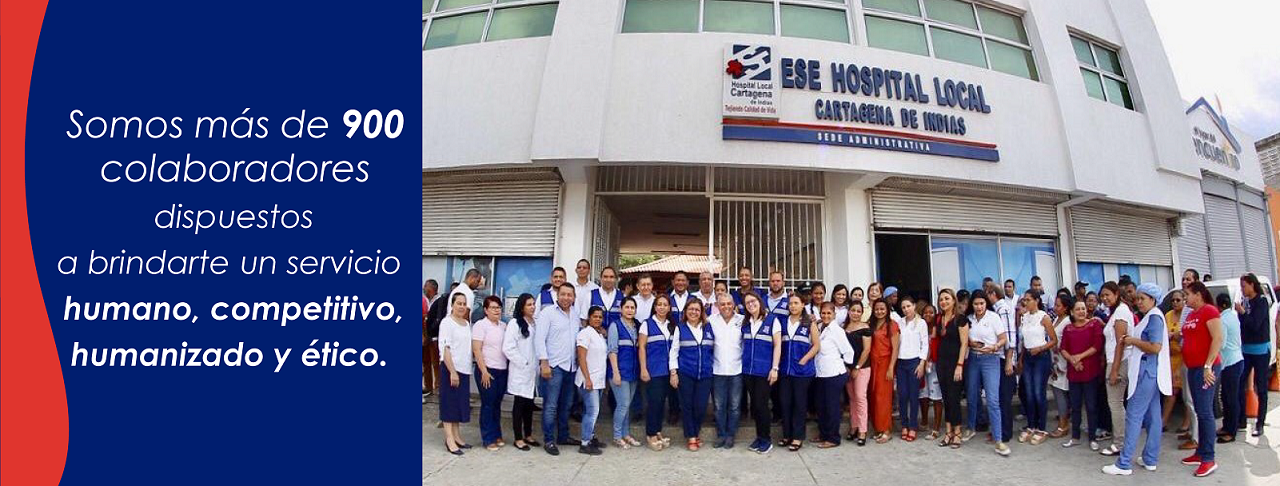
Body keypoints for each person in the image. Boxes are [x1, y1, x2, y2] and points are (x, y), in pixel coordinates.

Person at [1103, 283, 1172, 476]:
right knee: (1153, 417)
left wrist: (1132, 341)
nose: (1139, 302)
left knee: (1133, 415)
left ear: (1153, 299)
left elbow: (1155, 347)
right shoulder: (1151, 316)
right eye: (1138, 298)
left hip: (1146, 372)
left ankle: (1124, 463)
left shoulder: (1154, 318)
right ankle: (1150, 458)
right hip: (1149, 372)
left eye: (1143, 298)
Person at [1179, 282, 1225, 477]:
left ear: (1198, 295)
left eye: (1187, 294)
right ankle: (1200, 452)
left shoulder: (1209, 311)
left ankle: (1209, 458)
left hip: (1206, 369)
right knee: (1199, 410)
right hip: (1193, 368)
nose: (1185, 298)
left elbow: (1217, 339)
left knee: (1205, 412)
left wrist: (1208, 365)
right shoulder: (1191, 314)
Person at [534, 283, 580, 455]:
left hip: (571, 366)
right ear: (557, 295)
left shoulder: (575, 314)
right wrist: (544, 363)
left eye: (570, 295)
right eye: (563, 294)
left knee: (566, 404)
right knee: (551, 406)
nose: (566, 298)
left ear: (574, 297)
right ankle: (549, 440)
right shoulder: (548, 313)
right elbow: (539, 339)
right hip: (553, 366)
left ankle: (563, 436)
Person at [966, 291, 1012, 456]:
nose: (979, 307)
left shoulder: (993, 317)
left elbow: (1003, 338)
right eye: (976, 304)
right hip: (973, 358)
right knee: (972, 396)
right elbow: (964, 339)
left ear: (986, 303)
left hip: (991, 359)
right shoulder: (969, 319)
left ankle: (998, 440)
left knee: (992, 400)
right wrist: (971, 343)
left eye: (982, 303)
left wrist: (995, 346)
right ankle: (971, 427)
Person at [668, 299, 714, 451]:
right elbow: (674, 352)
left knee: (701, 406)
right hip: (685, 373)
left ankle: (695, 431)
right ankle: (692, 436)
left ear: (701, 312)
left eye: (697, 309)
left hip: (705, 374)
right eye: (691, 309)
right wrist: (673, 373)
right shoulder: (680, 328)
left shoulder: (708, 327)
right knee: (687, 406)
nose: (694, 312)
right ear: (686, 311)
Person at [740, 292, 782, 454]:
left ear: (759, 301)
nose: (751, 304)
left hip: (764, 371)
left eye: (753, 301)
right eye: (747, 303)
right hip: (748, 371)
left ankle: (766, 440)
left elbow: (778, 346)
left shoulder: (772, 320)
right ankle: (759, 437)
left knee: (761, 405)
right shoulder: (745, 322)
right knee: (755, 407)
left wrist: (775, 368)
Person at [1060, 299, 1104, 451]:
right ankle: (1075, 437)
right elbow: (1063, 348)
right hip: (1074, 372)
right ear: (1072, 312)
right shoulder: (1068, 329)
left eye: (1083, 308)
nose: (1081, 311)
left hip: (1090, 371)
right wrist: (1073, 360)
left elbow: (1097, 346)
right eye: (1078, 309)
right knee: (1075, 406)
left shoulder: (1094, 324)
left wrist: (1079, 357)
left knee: (1091, 406)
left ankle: (1092, 437)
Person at [779, 295, 821, 451]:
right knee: (785, 403)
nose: (793, 306)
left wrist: (804, 359)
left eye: (796, 303)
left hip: (802, 371)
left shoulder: (809, 323)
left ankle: (797, 437)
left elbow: (816, 345)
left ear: (803, 304)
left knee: (799, 404)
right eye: (790, 303)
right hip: (785, 369)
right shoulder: (782, 322)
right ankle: (787, 435)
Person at [1098, 282, 1133, 457]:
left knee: (1116, 404)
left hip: (1118, 362)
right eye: (1102, 296)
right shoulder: (1117, 312)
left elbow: (1121, 343)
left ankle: (1120, 443)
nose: (1105, 298)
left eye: (1108, 295)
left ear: (1116, 294)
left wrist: (1114, 370)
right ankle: (1122, 440)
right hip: (1115, 361)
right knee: (1116, 403)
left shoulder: (1121, 312)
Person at [814, 302, 856, 448]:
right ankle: (823, 434)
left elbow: (849, 352)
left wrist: (846, 365)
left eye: (829, 313)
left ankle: (832, 438)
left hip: (834, 374)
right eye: (823, 313)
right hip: (820, 373)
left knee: (832, 407)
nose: (826, 316)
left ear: (834, 314)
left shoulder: (837, 330)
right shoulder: (820, 327)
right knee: (821, 406)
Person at [502, 293, 540, 452]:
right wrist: (523, 362)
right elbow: (508, 348)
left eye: (533, 304)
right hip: (520, 370)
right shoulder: (515, 324)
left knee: (529, 405)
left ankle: (528, 434)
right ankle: (518, 438)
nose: (532, 307)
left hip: (532, 371)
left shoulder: (535, 323)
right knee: (519, 404)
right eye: (529, 305)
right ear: (522, 307)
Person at [1019, 290, 1058, 445]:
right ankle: (1031, 425)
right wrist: (1021, 359)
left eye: (1028, 299)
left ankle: (1042, 427)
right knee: (1028, 393)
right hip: (1028, 356)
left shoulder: (1044, 317)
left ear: (1036, 300)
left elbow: (1053, 340)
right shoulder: (1024, 317)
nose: (1025, 302)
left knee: (1038, 392)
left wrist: (1040, 348)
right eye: (1024, 300)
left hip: (1041, 356)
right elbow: (1024, 341)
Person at [638, 293, 676, 451]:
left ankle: (658, 430)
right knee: (654, 403)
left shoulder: (671, 325)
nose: (662, 307)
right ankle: (651, 434)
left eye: (665, 305)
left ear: (669, 308)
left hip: (669, 370)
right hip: (654, 371)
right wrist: (643, 369)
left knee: (662, 403)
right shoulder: (647, 324)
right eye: (659, 304)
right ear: (654, 307)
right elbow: (641, 348)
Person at [438, 293, 475, 455]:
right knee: (449, 404)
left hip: (464, 369)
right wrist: (452, 371)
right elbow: (445, 348)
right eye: (458, 303)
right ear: (452, 305)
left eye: (464, 304)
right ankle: (449, 439)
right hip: (450, 368)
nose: (462, 306)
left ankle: (457, 436)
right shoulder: (447, 322)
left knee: (458, 404)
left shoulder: (466, 323)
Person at [1237, 273, 1272, 439]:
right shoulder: (1245, 302)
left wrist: (1243, 313)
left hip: (1260, 349)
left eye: (1244, 286)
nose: (1242, 289)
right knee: (1240, 383)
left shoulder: (1261, 301)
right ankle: (1241, 419)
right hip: (1245, 349)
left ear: (1252, 285)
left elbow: (1255, 324)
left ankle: (1260, 423)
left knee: (1261, 386)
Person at [472, 296, 509, 450]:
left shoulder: (504, 326)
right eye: (493, 308)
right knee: (488, 404)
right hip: (486, 370)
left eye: (498, 307)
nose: (496, 310)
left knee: (497, 404)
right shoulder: (481, 325)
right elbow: (476, 350)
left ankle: (497, 434)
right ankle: (488, 438)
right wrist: (484, 371)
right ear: (486, 310)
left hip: (502, 370)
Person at [708, 293, 745, 449]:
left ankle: (731, 435)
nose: (726, 307)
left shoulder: (742, 320)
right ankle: (721, 434)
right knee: (719, 406)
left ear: (733, 304)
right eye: (722, 304)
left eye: (729, 303)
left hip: (737, 369)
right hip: (717, 369)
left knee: (735, 406)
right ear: (717, 305)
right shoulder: (710, 320)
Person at [935, 290, 969, 448]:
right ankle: (948, 432)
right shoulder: (939, 319)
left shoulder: (961, 319)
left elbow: (964, 343)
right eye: (941, 299)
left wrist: (960, 365)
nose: (944, 302)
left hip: (955, 363)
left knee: (954, 398)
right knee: (946, 398)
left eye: (947, 298)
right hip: (941, 363)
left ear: (954, 300)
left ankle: (957, 432)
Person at [607, 297, 643, 449]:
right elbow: (612, 351)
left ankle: (626, 434)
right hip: (619, 372)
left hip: (633, 372)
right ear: (621, 309)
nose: (629, 310)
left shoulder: (636, 326)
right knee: (622, 404)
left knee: (627, 405)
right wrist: (616, 372)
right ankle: (617, 436)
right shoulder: (615, 326)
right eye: (627, 307)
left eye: (632, 308)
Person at [985, 283, 1017, 446]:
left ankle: (1005, 433)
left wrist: (1009, 361)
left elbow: (1009, 337)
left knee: (1004, 398)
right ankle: (999, 430)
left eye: (987, 294)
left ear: (992, 294)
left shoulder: (1002, 309)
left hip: (1004, 358)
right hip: (998, 358)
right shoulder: (996, 310)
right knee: (997, 397)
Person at [895, 297, 929, 442]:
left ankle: (913, 426)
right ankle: (904, 425)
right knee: (902, 395)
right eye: (903, 307)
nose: (906, 309)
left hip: (915, 362)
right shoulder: (899, 322)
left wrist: (922, 363)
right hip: (901, 363)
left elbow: (925, 344)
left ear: (914, 306)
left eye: (908, 306)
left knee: (914, 396)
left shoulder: (921, 323)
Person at [575, 307, 609, 455]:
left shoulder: (599, 335)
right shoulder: (584, 334)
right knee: (592, 411)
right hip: (588, 380)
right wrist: (587, 379)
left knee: (592, 411)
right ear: (589, 318)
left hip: (599, 379)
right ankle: (585, 443)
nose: (598, 319)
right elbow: (581, 358)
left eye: (600, 317)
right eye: (595, 316)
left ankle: (591, 437)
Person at [868, 299, 900, 444]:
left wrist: (891, 367)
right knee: (874, 396)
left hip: (886, 363)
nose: (879, 311)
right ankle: (879, 429)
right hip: (872, 363)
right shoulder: (872, 324)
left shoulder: (892, 325)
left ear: (887, 310)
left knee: (884, 398)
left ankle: (886, 430)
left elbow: (895, 348)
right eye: (877, 309)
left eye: (882, 309)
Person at [1216, 293, 1244, 443]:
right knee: (1227, 397)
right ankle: (1227, 426)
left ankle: (1231, 431)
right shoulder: (1232, 316)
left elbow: (1221, 343)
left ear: (1219, 306)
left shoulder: (1222, 320)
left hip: (1230, 363)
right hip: (1236, 359)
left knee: (1230, 398)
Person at [1162, 290, 1191, 435]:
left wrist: (1175, 335)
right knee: (1171, 391)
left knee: (1186, 393)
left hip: (1184, 357)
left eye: (1178, 300)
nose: (1175, 303)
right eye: (1173, 300)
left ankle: (1187, 423)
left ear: (1185, 300)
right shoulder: (1168, 315)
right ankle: (1163, 421)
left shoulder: (1188, 315)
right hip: (1170, 357)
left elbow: (1186, 336)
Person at [844, 301, 873, 446]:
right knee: (852, 398)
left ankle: (862, 430)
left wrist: (857, 367)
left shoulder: (865, 328)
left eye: (858, 311)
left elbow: (866, 350)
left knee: (860, 397)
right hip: (847, 368)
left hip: (862, 367)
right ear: (849, 311)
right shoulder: (844, 328)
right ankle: (854, 426)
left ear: (862, 313)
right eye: (853, 310)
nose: (855, 313)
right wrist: (847, 366)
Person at [1048, 294, 1073, 439]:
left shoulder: (1067, 322)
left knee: (1061, 392)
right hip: (1054, 361)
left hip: (1062, 362)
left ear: (1065, 308)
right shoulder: (1056, 319)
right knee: (1057, 390)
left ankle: (1063, 425)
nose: (1055, 308)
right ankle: (1063, 421)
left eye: (1058, 305)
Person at [919, 303, 943, 440]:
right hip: (922, 365)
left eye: (931, 312)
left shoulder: (938, 328)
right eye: (925, 312)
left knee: (936, 396)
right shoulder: (920, 327)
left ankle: (936, 428)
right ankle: (924, 422)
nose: (928, 315)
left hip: (934, 365)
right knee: (923, 394)